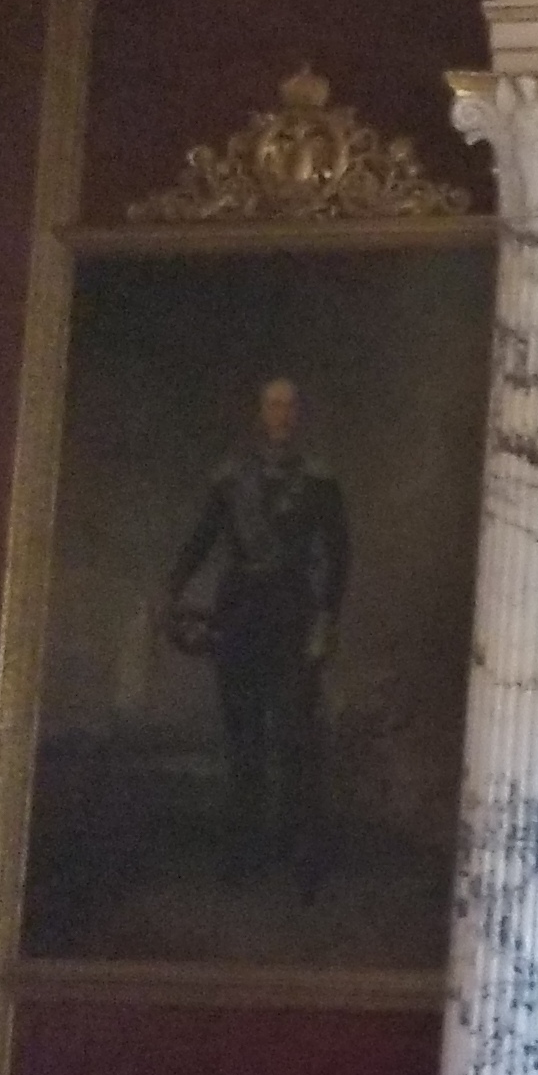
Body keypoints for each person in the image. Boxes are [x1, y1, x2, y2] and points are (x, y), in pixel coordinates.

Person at [164, 375, 349, 886]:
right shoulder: (230, 479)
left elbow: (338, 557)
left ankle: (298, 853)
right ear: (260, 412)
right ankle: (244, 851)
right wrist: (172, 589)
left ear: (299, 414)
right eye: (273, 405)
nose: (281, 415)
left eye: (290, 406)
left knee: (294, 738)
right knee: (243, 736)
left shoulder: (319, 480)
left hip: (292, 616)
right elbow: (202, 538)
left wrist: (326, 621)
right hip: (240, 615)